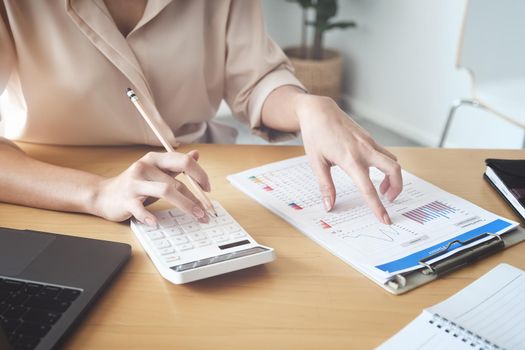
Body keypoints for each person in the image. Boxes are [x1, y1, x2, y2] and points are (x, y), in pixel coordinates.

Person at [0, 0, 402, 227]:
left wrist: (307, 106)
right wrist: (97, 193)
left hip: (194, 180)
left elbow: (256, 79)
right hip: (52, 185)